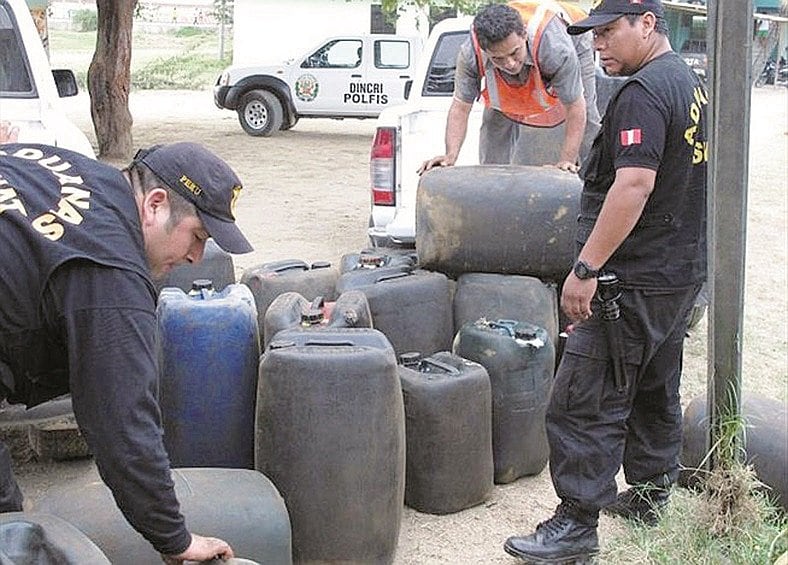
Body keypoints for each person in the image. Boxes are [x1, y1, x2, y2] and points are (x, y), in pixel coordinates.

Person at [503, 0, 708, 562]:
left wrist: (586, 269)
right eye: (593, 35)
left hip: (631, 279)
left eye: (610, 32)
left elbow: (634, 185)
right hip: (676, 272)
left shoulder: (642, 91)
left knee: (582, 400)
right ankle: (650, 492)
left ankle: (576, 524)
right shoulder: (686, 81)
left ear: (647, 24)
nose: (598, 45)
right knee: (652, 385)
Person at [0, 141, 255, 562]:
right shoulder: (111, 270)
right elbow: (122, 423)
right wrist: (176, 540)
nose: (196, 257)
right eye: (197, 236)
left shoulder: (83, 171)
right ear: (155, 204)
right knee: (11, 539)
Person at [418, 1, 601, 175]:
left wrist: (566, 161)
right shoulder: (470, 54)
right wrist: (450, 156)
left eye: (514, 53)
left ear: (524, 35)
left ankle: (594, 178)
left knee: (589, 113)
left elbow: (575, 106)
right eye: (498, 58)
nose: (510, 64)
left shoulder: (555, 48)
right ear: (485, 50)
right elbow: (460, 107)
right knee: (495, 115)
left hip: (574, 33)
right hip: (533, 47)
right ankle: (494, 178)